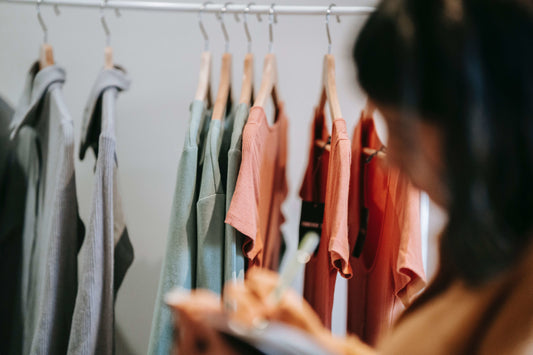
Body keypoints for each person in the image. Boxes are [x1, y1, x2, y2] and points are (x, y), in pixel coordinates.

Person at [169, 0, 533, 353]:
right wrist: (309, 338)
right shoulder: (480, 251)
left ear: (483, 124)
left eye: (404, 136)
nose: (393, 163)